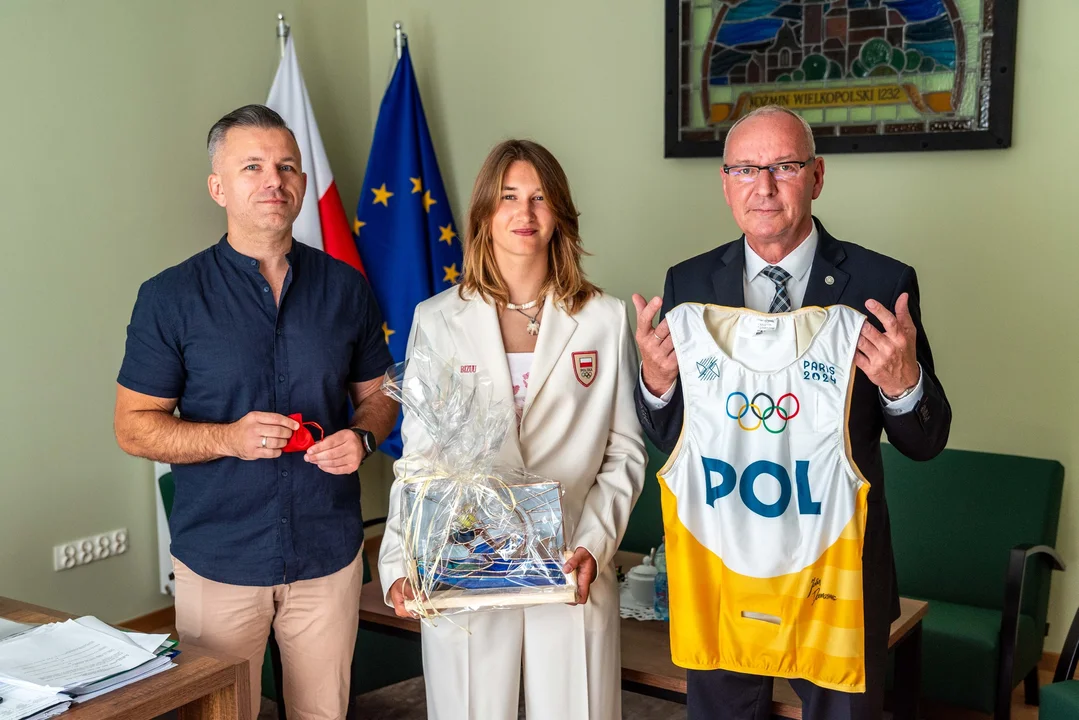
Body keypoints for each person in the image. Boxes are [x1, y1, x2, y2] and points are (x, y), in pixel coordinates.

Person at [633, 105, 951, 720]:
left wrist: (903, 384)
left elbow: (926, 440)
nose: (765, 186)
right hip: (723, 565)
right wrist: (656, 382)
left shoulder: (880, 283)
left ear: (817, 176)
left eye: (784, 166)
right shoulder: (688, 283)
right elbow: (670, 436)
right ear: (725, 183)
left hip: (838, 573)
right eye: (746, 169)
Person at [113, 104, 398, 719]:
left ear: (302, 183)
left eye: (287, 166)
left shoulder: (346, 287)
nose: (274, 180)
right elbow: (132, 427)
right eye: (253, 167)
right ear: (218, 187)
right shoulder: (169, 297)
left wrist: (363, 439)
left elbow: (380, 397)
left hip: (328, 555)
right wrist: (228, 439)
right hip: (220, 559)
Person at [378, 139, 646, 720]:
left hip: (571, 564)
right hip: (465, 563)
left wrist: (593, 544)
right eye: (508, 197)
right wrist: (400, 560)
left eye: (540, 198)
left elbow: (624, 452)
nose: (524, 212)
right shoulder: (437, 318)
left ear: (559, 213)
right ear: (484, 213)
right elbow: (420, 459)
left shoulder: (604, 318)